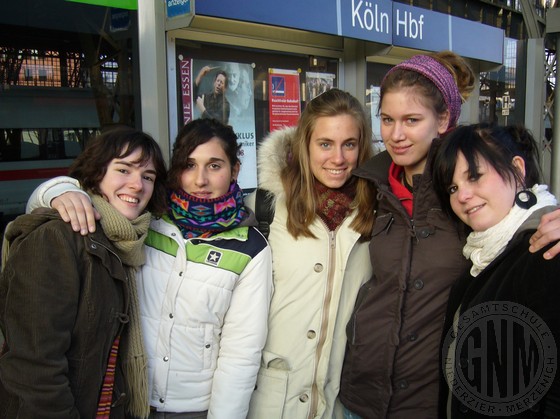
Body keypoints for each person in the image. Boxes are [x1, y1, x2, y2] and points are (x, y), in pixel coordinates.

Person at [339, 51, 560, 419]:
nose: (395, 135)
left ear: (442, 119)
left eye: (411, 120)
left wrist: (549, 218)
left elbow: (520, 212)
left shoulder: (469, 198)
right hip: (361, 396)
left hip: (429, 402)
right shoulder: (371, 186)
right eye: (387, 119)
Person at [25, 118, 273, 418]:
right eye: (189, 164)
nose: (200, 180)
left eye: (215, 165)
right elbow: (84, 203)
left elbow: (241, 354)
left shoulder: (250, 247)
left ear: (234, 169)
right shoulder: (146, 219)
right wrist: (58, 190)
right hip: (127, 398)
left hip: (194, 407)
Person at [0, 126, 167, 418]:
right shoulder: (58, 236)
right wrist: (56, 190)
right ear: (96, 172)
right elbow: (35, 367)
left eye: (148, 176)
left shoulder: (131, 240)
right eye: (124, 170)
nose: (137, 185)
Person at [245, 88, 376, 418]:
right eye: (325, 144)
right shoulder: (263, 208)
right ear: (305, 144)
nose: (338, 158)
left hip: (340, 403)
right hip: (271, 402)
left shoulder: (379, 214)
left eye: (349, 144)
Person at [432, 124, 560, 418]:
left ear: (517, 169)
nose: (462, 195)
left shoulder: (547, 251)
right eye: (452, 187)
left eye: (475, 176)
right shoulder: (482, 259)